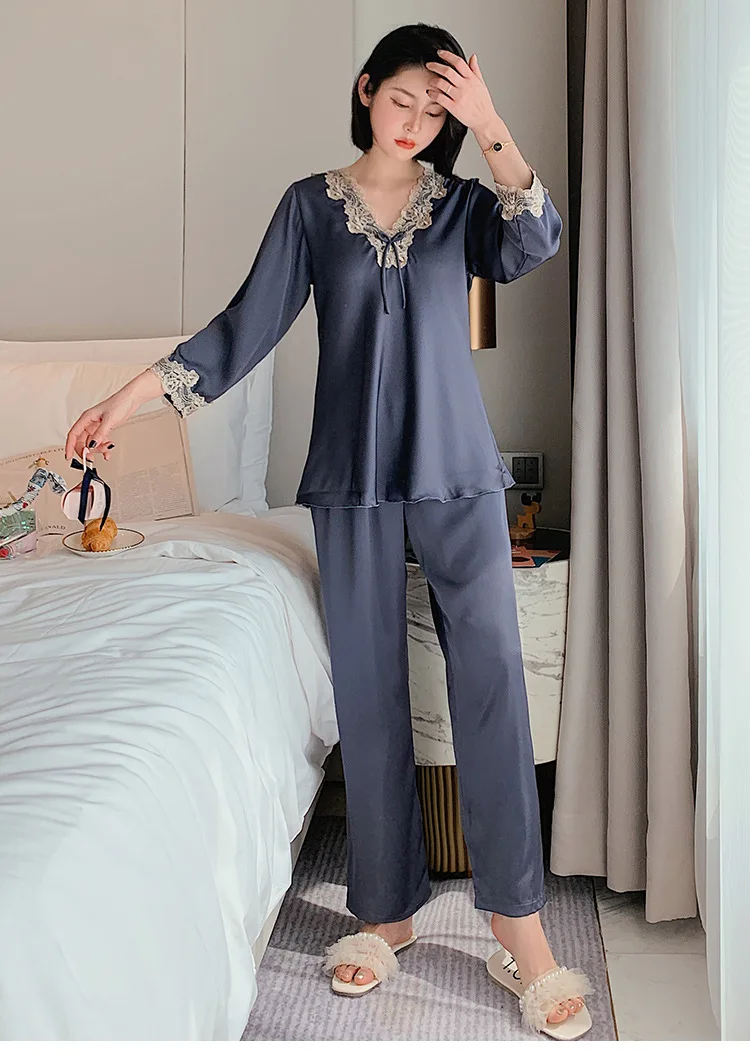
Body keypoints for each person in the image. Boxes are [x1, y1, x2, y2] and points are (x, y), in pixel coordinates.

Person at [66, 22, 594, 1038]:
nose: (415, 123)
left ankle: (519, 925)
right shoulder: (310, 207)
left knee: (492, 682)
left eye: (435, 111)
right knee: (367, 687)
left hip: (457, 473)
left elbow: (536, 241)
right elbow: (245, 326)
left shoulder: (463, 207)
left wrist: (491, 126)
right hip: (350, 482)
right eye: (402, 100)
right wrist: (130, 395)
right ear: (364, 90)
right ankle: (384, 911)